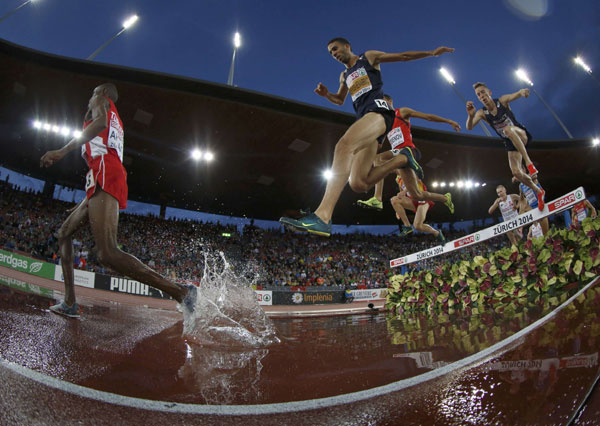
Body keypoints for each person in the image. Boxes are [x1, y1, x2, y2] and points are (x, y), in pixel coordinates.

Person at [40, 83, 196, 318]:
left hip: (105, 171)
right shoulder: (114, 117)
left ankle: (181, 292)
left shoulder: (101, 103)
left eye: (92, 92)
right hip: (100, 175)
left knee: (107, 253)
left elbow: (100, 126)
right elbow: (102, 140)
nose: (89, 97)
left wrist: (61, 151)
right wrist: (87, 199)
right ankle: (70, 301)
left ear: (101, 94)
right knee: (64, 233)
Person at [279, 37, 454, 236]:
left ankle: (323, 216)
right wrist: (327, 95)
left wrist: (431, 53)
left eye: (335, 49)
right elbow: (339, 100)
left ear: (347, 46)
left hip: (378, 112)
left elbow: (403, 57)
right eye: (330, 53)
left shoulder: (368, 57)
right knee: (359, 183)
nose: (334, 54)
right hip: (366, 121)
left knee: (343, 147)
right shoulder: (344, 75)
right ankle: (402, 159)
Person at [356, 94, 459, 211]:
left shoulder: (402, 112)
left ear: (390, 101)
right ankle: (445, 198)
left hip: (410, 150)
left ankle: (377, 199)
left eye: (383, 102)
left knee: (378, 158)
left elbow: (428, 117)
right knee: (417, 195)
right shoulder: (386, 124)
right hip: (399, 158)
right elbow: (377, 144)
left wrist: (449, 121)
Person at [466, 82, 545, 210]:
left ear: (489, 93)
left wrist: (522, 92)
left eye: (483, 92)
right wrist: (470, 116)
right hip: (510, 142)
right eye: (478, 95)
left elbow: (515, 94)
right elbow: (469, 127)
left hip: (520, 133)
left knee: (508, 130)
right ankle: (539, 191)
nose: (482, 96)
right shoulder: (482, 112)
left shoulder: (502, 101)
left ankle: (529, 164)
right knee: (516, 172)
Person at [390, 173, 446, 242]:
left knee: (417, 226)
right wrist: (398, 209)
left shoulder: (408, 170)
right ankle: (407, 226)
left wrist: (405, 191)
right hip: (412, 200)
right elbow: (401, 194)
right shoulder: (398, 178)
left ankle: (436, 232)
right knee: (394, 200)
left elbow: (415, 181)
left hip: (422, 199)